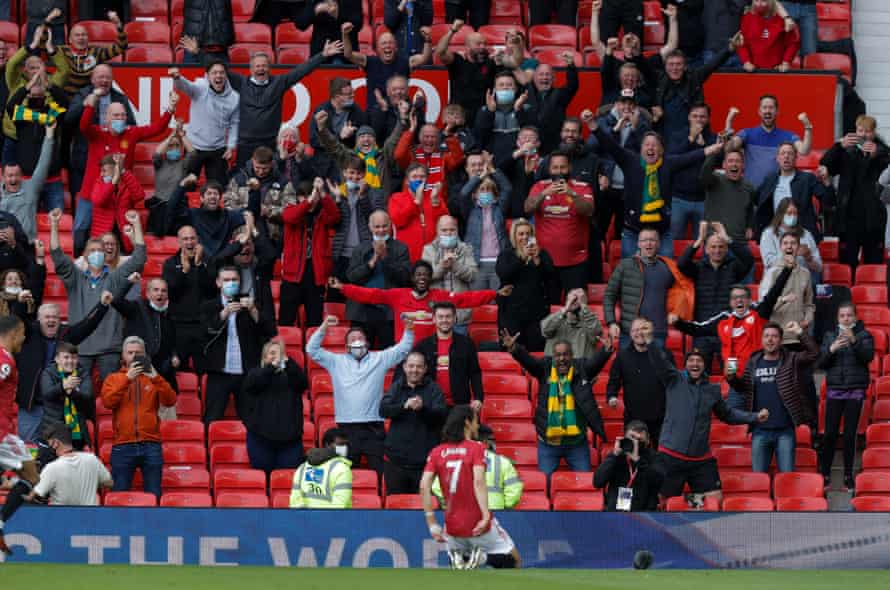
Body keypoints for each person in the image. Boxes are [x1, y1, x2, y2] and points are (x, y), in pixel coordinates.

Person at [650, 336, 768, 503]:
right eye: (691, 360)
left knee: (715, 499)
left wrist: (754, 416)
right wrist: (650, 341)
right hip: (670, 455)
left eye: (699, 360)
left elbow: (728, 415)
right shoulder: (674, 379)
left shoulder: (713, 390)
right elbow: (659, 362)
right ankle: (682, 506)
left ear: (704, 365)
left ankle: (688, 503)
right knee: (662, 501)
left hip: (700, 459)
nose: (695, 364)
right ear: (686, 364)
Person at [307, 315, 414, 475]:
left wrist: (409, 329)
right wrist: (323, 328)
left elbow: (403, 349)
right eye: (352, 338)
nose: (357, 340)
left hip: (373, 428)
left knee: (381, 474)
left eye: (360, 337)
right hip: (346, 429)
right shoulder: (336, 361)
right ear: (346, 345)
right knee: (344, 473)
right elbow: (311, 350)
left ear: (367, 342)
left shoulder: (380, 359)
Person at [593, 127, 724, 257]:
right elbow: (611, 146)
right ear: (641, 148)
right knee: (631, 274)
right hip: (633, 232)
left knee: (667, 272)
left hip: (662, 233)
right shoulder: (630, 161)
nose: (651, 148)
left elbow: (688, 158)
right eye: (647, 144)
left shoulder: (668, 164)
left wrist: (709, 150)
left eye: (655, 145)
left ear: (661, 150)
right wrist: (594, 127)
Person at [50, 208, 146, 383]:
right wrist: (55, 225)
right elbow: (57, 255)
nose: (97, 253)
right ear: (85, 255)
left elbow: (139, 259)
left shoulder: (115, 277)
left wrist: (137, 224)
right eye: (92, 250)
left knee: (112, 397)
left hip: (110, 348)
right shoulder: (75, 277)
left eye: (100, 250)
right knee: (79, 397)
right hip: (79, 348)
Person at [420, 405, 520, 570]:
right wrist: (486, 515)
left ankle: (462, 556)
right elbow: (479, 482)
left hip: (451, 527)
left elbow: (424, 487)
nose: (477, 425)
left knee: (462, 574)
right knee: (514, 560)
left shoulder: (437, 452)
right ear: (467, 423)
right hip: (477, 523)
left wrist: (432, 523)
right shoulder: (476, 448)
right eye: (475, 421)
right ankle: (482, 558)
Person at [671, 268, 793, 402]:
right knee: (734, 418)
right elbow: (698, 329)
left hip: (759, 377)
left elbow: (773, 294)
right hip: (734, 380)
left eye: (743, 297)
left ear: (749, 300)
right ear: (730, 302)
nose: (739, 301)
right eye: (735, 298)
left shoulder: (758, 314)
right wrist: (678, 323)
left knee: (762, 418)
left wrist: (787, 269)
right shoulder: (723, 320)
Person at [502, 329, 610, 476]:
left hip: (577, 444)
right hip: (548, 444)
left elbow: (595, 364)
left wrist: (606, 350)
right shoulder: (544, 368)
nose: (562, 358)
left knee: (584, 483)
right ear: (553, 357)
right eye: (558, 355)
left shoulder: (582, 369)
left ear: (572, 356)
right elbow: (529, 362)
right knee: (544, 484)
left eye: (565, 354)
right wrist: (514, 349)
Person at [227, 43, 343, 168]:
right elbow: (218, 69)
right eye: (257, 66)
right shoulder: (241, 82)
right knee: (244, 179)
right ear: (251, 69)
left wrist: (322, 55)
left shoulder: (278, 82)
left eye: (264, 66)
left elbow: (301, 71)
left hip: (270, 143)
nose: (261, 69)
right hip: (245, 144)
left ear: (269, 68)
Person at [332, 259, 504, 344]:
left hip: (430, 355)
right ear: (412, 278)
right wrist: (343, 288)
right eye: (419, 274)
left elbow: (465, 299)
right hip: (404, 355)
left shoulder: (439, 296)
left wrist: (494, 294)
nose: (422, 278)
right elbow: (370, 294)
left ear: (430, 279)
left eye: (426, 275)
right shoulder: (398, 295)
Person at [15, 297, 112, 444]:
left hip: (58, 407)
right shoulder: (29, 333)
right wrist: (21, 303)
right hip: (32, 407)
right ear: (39, 319)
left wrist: (103, 305)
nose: (51, 320)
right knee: (29, 449)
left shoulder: (66, 334)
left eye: (55, 317)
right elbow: (18, 318)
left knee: (59, 449)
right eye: (47, 317)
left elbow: (88, 325)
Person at [727, 321, 818, 473]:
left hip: (785, 431)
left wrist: (799, 332)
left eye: (774, 336)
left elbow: (814, 353)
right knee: (758, 480)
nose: (770, 339)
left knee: (787, 479)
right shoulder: (753, 362)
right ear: (761, 340)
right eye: (767, 336)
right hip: (759, 431)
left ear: (780, 341)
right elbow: (743, 387)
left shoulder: (792, 359)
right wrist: (731, 378)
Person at [101, 335, 177, 498]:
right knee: (119, 495)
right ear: (123, 355)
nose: (134, 356)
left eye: (138, 353)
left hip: (151, 444)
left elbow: (170, 400)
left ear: (145, 355)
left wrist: (155, 377)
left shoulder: (154, 378)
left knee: (154, 494)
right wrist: (127, 379)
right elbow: (107, 402)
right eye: (130, 353)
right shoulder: (113, 379)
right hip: (123, 445)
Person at [201, 266, 275, 424]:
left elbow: (269, 332)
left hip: (246, 372)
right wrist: (224, 314)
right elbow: (204, 333)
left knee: (251, 420)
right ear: (218, 283)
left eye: (234, 280)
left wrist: (253, 310)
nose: (231, 283)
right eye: (226, 280)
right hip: (219, 373)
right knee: (212, 418)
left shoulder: (251, 304)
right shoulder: (209, 306)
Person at [678, 221, 754, 370]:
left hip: (728, 334)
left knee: (733, 374)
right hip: (702, 334)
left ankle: (734, 394)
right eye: (713, 247)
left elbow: (748, 259)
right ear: (706, 249)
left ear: (726, 249)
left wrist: (726, 237)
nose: (717, 250)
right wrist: (699, 239)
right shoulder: (698, 268)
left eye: (721, 247)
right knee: (698, 376)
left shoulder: (733, 267)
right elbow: (681, 264)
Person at [820, 115, 890, 272]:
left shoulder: (881, 150)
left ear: (873, 133)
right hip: (848, 216)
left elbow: (887, 158)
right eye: (860, 130)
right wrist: (839, 145)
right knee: (847, 263)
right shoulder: (846, 150)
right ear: (855, 131)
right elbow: (825, 163)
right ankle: (848, 293)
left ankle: (871, 292)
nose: (863, 135)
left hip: (873, 217)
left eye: (868, 131)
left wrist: (876, 154)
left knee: (873, 263)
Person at [604, 227, 693, 349]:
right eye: (644, 240)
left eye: (652, 240)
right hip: (630, 332)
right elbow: (609, 295)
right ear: (638, 244)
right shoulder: (625, 265)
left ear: (659, 244)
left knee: (656, 368)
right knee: (628, 368)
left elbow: (681, 291)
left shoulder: (668, 267)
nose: (649, 243)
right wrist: (611, 323)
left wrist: (676, 311)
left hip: (657, 333)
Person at [524, 151, 595, 302]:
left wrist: (572, 194)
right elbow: (527, 209)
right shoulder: (539, 187)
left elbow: (588, 210)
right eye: (555, 167)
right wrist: (544, 194)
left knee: (577, 311)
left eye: (563, 167)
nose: (559, 171)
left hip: (575, 262)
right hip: (545, 262)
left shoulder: (582, 188)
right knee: (545, 308)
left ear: (569, 167)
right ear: (549, 169)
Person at [819, 303, 874, 491]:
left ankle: (848, 476)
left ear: (855, 318)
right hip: (835, 390)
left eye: (849, 315)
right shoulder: (829, 336)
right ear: (838, 318)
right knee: (829, 435)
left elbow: (867, 357)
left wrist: (854, 341)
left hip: (855, 390)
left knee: (850, 435)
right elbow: (822, 363)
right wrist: (832, 349)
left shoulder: (864, 335)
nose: (846, 319)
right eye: (842, 316)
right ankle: (825, 474)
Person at [380, 350, 447, 494]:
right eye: (411, 366)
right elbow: (383, 410)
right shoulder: (396, 387)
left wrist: (423, 408)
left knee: (424, 508)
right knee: (396, 508)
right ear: (404, 367)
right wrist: (404, 406)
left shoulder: (434, 389)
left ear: (425, 369)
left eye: (418, 366)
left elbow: (441, 416)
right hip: (395, 463)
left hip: (424, 464)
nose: (414, 370)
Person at [344, 210, 411, 349]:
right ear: (370, 227)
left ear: (390, 225)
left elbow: (405, 278)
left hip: (389, 312)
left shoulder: (401, 248)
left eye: (384, 226)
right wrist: (371, 262)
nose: (381, 230)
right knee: (360, 356)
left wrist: (385, 257)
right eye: (377, 226)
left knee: (388, 356)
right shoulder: (360, 249)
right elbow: (352, 278)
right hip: (362, 311)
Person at [279, 178, 341, 328]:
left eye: (313, 196)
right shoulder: (291, 210)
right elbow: (290, 217)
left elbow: (335, 216)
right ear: (298, 197)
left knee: (315, 321)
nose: (311, 200)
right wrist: (308, 202)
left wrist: (324, 195)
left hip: (315, 274)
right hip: (292, 275)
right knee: (286, 320)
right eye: (305, 196)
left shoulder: (322, 215)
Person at [241, 340, 308, 474]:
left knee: (287, 479)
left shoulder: (291, 375)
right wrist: (271, 368)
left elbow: (302, 383)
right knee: (262, 477)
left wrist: (288, 364)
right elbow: (252, 385)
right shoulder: (256, 373)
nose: (276, 356)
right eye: (272, 353)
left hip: (290, 440)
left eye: (280, 353)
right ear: (264, 357)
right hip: (260, 439)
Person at [169, 63, 239, 186]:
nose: (219, 75)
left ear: (226, 75)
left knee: (218, 188)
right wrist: (177, 78)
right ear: (207, 76)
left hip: (218, 149)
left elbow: (234, 123)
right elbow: (186, 87)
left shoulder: (234, 98)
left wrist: (231, 146)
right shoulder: (200, 86)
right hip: (193, 147)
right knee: (185, 187)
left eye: (222, 73)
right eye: (214, 72)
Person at [435, 22, 523, 118]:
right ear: (467, 46)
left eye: (484, 44)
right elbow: (440, 53)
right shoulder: (458, 60)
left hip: (485, 113)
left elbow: (515, 62)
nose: (483, 47)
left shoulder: (491, 61)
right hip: (460, 115)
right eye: (478, 44)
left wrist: (517, 45)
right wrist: (452, 31)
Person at [342, 23, 431, 113]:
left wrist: (427, 40)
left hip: (400, 113)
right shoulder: (369, 62)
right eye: (384, 43)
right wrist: (345, 35)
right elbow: (348, 55)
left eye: (390, 43)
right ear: (377, 48)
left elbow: (424, 58)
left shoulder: (405, 62)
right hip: (375, 113)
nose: (387, 46)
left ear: (396, 47)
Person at [728, 95, 813, 189]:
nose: (767, 111)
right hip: (751, 193)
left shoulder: (787, 136)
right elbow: (729, 147)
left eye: (771, 108)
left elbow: (804, 151)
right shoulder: (747, 134)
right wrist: (729, 121)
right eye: (764, 107)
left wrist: (807, 127)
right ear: (759, 112)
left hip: (777, 194)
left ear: (777, 112)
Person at [754, 142, 834, 241]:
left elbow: (829, 201)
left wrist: (826, 181)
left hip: (802, 234)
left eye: (790, 153)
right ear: (777, 158)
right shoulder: (770, 179)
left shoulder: (807, 178)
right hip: (776, 234)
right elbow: (755, 200)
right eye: (783, 153)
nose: (786, 156)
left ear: (796, 157)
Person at [606, 317, 667, 446]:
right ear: (630, 333)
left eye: (642, 329)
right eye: (635, 330)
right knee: (634, 458)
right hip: (633, 418)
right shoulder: (622, 356)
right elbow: (613, 381)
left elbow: (672, 381)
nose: (639, 333)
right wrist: (611, 396)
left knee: (661, 461)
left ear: (649, 331)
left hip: (660, 419)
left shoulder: (662, 353)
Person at [111, 279, 179, 394]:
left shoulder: (171, 313)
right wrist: (129, 282)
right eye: (156, 290)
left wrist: (174, 356)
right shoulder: (137, 307)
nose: (160, 293)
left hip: (164, 374)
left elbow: (173, 341)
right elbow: (116, 300)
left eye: (163, 291)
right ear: (147, 293)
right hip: (139, 371)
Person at [433, 423, 524, 510]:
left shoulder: (452, 459)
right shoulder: (502, 461)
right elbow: (514, 491)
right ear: (486, 442)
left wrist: (452, 505)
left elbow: (437, 487)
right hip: (495, 512)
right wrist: (505, 508)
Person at [496, 218, 554, 352]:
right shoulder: (507, 254)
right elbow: (504, 274)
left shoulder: (541, 254)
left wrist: (537, 259)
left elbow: (552, 276)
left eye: (528, 233)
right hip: (511, 314)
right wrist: (522, 258)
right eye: (521, 234)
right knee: (512, 351)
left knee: (536, 351)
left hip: (536, 314)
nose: (525, 237)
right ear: (514, 236)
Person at [162, 226, 213, 373]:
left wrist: (199, 266)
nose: (189, 242)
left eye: (192, 238)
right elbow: (170, 292)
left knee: (204, 370)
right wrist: (183, 272)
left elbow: (212, 290)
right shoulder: (170, 263)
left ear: (197, 240)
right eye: (185, 239)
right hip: (179, 326)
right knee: (178, 370)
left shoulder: (208, 261)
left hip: (203, 325)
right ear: (178, 241)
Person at [414, 302, 483, 410]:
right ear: (434, 319)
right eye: (440, 317)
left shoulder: (467, 344)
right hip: (431, 406)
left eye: (448, 316)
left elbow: (475, 373)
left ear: (455, 318)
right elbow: (414, 374)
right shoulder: (422, 346)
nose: (444, 320)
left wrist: (478, 398)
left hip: (460, 405)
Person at [28, 425, 113, 506]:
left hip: (63, 518)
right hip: (90, 517)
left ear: (56, 443)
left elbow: (32, 496)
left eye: (49, 444)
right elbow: (109, 483)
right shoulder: (92, 459)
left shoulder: (52, 468)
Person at [164, 175, 246, 257]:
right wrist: (182, 186)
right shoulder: (192, 214)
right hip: (199, 263)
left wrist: (255, 191)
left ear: (220, 198)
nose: (213, 196)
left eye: (215, 194)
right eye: (209, 193)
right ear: (201, 198)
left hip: (223, 264)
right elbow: (171, 210)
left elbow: (250, 213)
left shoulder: (229, 216)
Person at [421, 216, 478, 333]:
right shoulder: (428, 250)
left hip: (460, 314)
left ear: (457, 231)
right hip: (436, 313)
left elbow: (473, 275)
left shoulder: (466, 249)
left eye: (452, 230)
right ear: (437, 231)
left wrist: (455, 265)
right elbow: (424, 278)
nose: (448, 233)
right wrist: (442, 267)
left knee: (459, 350)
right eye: (444, 230)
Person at [0, 121, 55, 243]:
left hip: (27, 245)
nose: (13, 179)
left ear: (22, 176)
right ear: (3, 177)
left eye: (16, 175)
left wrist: (49, 135)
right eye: (10, 176)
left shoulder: (31, 187)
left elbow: (43, 164)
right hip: (3, 246)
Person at [594, 420, 664, 511]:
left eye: (639, 440)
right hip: (617, 513)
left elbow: (659, 482)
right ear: (625, 438)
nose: (636, 443)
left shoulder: (655, 457)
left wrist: (638, 460)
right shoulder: (617, 457)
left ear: (647, 440)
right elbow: (597, 482)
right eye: (632, 438)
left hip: (644, 514)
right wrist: (614, 455)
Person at [758, 232, 815, 344]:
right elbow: (763, 305)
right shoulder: (772, 272)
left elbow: (809, 304)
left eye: (793, 243)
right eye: (785, 243)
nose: (789, 246)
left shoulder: (805, 273)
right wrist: (783, 300)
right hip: (777, 338)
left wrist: (807, 319)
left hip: (798, 336)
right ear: (780, 247)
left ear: (798, 247)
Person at [456, 175, 510, 291]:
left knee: (498, 299)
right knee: (478, 301)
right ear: (475, 194)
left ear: (494, 194)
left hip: (498, 262)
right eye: (482, 189)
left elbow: (507, 188)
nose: (485, 192)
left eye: (488, 189)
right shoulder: (470, 210)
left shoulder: (499, 209)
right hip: (476, 263)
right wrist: (478, 177)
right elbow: (464, 194)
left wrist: (494, 172)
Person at [57, 11, 127, 97]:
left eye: (84, 35)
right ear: (70, 40)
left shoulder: (96, 52)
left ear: (88, 38)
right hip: (65, 99)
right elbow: (43, 45)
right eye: (77, 35)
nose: (81, 38)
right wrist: (47, 21)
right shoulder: (62, 51)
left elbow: (121, 47)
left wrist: (119, 26)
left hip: (88, 98)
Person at [389, 163, 450, 261]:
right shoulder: (396, 198)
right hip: (407, 256)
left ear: (426, 180)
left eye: (422, 176)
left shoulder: (434, 197)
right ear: (407, 181)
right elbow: (398, 221)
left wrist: (435, 202)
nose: (419, 179)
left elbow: (446, 224)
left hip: (432, 257)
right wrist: (416, 202)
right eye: (414, 177)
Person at [37, 341, 91, 450]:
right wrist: (63, 386)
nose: (70, 361)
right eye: (66, 357)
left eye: (74, 358)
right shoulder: (48, 373)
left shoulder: (83, 373)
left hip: (77, 431)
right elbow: (47, 394)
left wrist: (72, 392)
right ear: (57, 359)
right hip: (53, 430)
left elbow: (87, 397)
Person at [521, 57, 579, 154]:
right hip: (529, 147)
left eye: (548, 75)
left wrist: (571, 67)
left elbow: (572, 85)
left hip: (554, 148)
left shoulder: (560, 95)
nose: (544, 77)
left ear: (554, 78)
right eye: (541, 74)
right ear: (534, 78)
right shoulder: (525, 94)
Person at [89, 155, 145, 253]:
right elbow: (99, 200)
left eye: (104, 171)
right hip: (102, 238)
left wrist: (123, 171)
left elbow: (139, 195)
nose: (101, 174)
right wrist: (113, 183)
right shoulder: (99, 183)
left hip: (123, 238)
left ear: (115, 170)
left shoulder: (126, 184)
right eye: (101, 171)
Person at [700, 147, 756, 244]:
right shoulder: (714, 180)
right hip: (715, 242)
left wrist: (749, 226)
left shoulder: (749, 187)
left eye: (737, 161)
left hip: (738, 242)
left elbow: (750, 210)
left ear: (743, 165)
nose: (734, 164)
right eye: (730, 161)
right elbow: (704, 173)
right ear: (724, 165)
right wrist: (714, 153)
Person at [289, 427, 352, 509]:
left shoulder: (303, 467)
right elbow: (339, 507)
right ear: (327, 444)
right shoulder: (342, 469)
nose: (344, 448)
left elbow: (295, 502)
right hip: (332, 520)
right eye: (340, 444)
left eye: (346, 444)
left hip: (306, 520)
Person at [759, 198, 822, 274]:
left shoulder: (806, 234)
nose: (793, 216)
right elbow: (769, 263)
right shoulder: (769, 234)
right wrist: (792, 254)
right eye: (789, 213)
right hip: (777, 280)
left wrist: (808, 258)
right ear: (780, 215)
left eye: (795, 213)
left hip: (801, 280)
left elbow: (819, 268)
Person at [309, 77, 368, 153]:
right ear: (337, 97)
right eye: (349, 94)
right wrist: (339, 136)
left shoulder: (356, 110)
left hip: (347, 158)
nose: (353, 95)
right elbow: (314, 141)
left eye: (353, 92)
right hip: (325, 159)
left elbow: (365, 133)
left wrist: (354, 135)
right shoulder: (321, 111)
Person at [737, 0, 800, 72]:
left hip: (777, 70)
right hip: (754, 70)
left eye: (763, 1)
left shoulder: (783, 20)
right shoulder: (747, 18)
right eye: (756, 1)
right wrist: (746, 62)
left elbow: (793, 43)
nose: (759, 4)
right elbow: (741, 43)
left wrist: (785, 62)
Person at [541, 288, 602, 359]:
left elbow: (596, 335)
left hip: (580, 368)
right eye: (572, 298)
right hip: (556, 368)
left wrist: (584, 306)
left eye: (578, 299)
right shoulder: (557, 319)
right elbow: (545, 330)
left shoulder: (589, 321)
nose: (574, 301)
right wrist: (566, 308)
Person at [179, 0, 234, 64]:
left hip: (220, 47)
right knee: (191, 73)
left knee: (223, 73)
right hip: (193, 46)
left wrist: (228, 39)